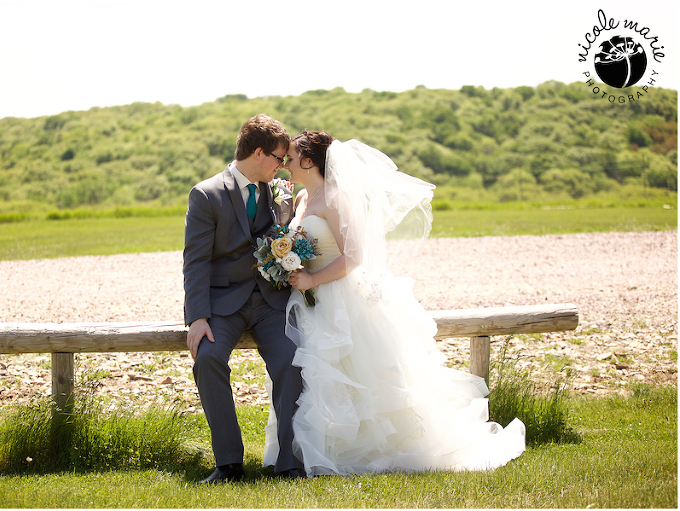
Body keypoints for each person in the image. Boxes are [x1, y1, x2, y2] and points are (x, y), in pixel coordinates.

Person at [262, 131, 526, 476]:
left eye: (292, 158)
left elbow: (354, 256)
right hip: (308, 302)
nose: (286, 164)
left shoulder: (335, 199)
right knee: (312, 375)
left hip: (340, 298)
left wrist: (312, 279)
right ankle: (310, 448)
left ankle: (366, 446)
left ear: (309, 161)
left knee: (354, 372)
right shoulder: (300, 198)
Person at [183, 114, 305, 483]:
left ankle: (290, 463)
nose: (282, 166)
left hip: (270, 302)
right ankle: (229, 463)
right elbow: (195, 261)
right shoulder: (206, 194)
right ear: (258, 153)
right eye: (278, 158)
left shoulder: (278, 191)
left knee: (293, 361)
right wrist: (197, 318)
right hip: (223, 305)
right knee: (207, 359)